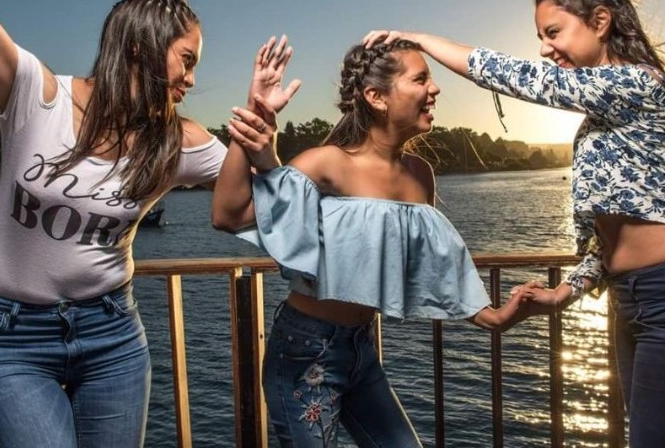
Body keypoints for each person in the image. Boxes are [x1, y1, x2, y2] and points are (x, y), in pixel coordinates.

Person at [0, 0, 296, 447]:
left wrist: (259, 139)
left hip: (113, 338)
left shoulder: (176, 141)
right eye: (186, 60)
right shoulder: (33, 95)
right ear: (141, 48)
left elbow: (249, 209)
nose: (192, 80)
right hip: (11, 339)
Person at [362, 0, 665, 447]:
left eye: (553, 32)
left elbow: (523, 78)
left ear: (600, 21)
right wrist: (566, 292)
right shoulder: (601, 116)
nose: (545, 47)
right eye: (541, 36)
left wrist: (417, 39)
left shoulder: (640, 85)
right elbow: (611, 236)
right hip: (639, 301)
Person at [212, 38, 526, 447]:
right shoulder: (328, 163)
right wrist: (250, 125)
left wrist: (493, 317)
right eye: (421, 79)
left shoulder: (420, 175)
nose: (435, 89)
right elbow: (228, 214)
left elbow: (431, 273)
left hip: (361, 350)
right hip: (305, 351)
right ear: (376, 97)